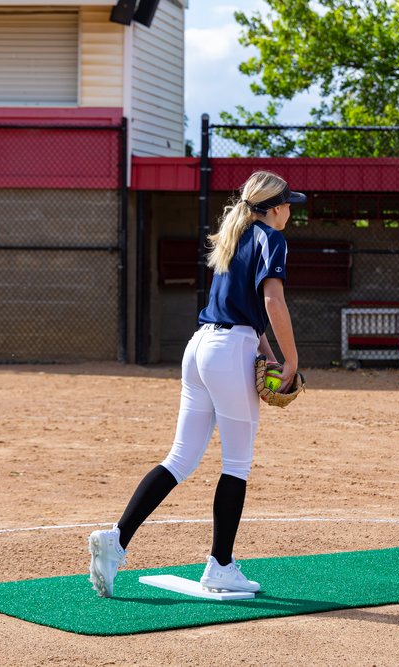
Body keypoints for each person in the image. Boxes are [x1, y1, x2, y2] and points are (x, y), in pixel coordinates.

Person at [87, 170, 305, 597]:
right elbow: (271, 301)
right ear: (274, 208)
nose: (291, 210)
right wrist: (292, 360)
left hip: (200, 347)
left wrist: (269, 354)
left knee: (180, 458)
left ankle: (116, 539)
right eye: (288, 203)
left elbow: (240, 308)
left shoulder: (234, 236)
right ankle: (220, 566)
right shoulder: (270, 238)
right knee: (236, 464)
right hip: (230, 351)